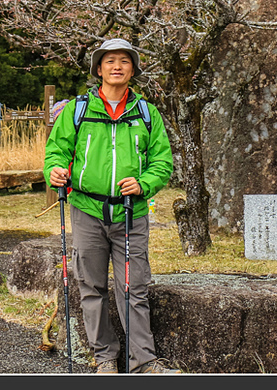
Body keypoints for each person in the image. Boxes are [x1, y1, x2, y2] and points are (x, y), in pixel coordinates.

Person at [44, 38, 182, 374]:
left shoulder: (147, 114)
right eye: (110, 61)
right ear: (99, 69)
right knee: (91, 287)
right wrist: (56, 171)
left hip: (131, 212)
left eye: (124, 61)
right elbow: (56, 152)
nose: (117, 66)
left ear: (133, 69)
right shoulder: (78, 111)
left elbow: (162, 162)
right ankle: (105, 358)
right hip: (87, 210)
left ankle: (143, 362)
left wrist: (144, 183)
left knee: (133, 287)